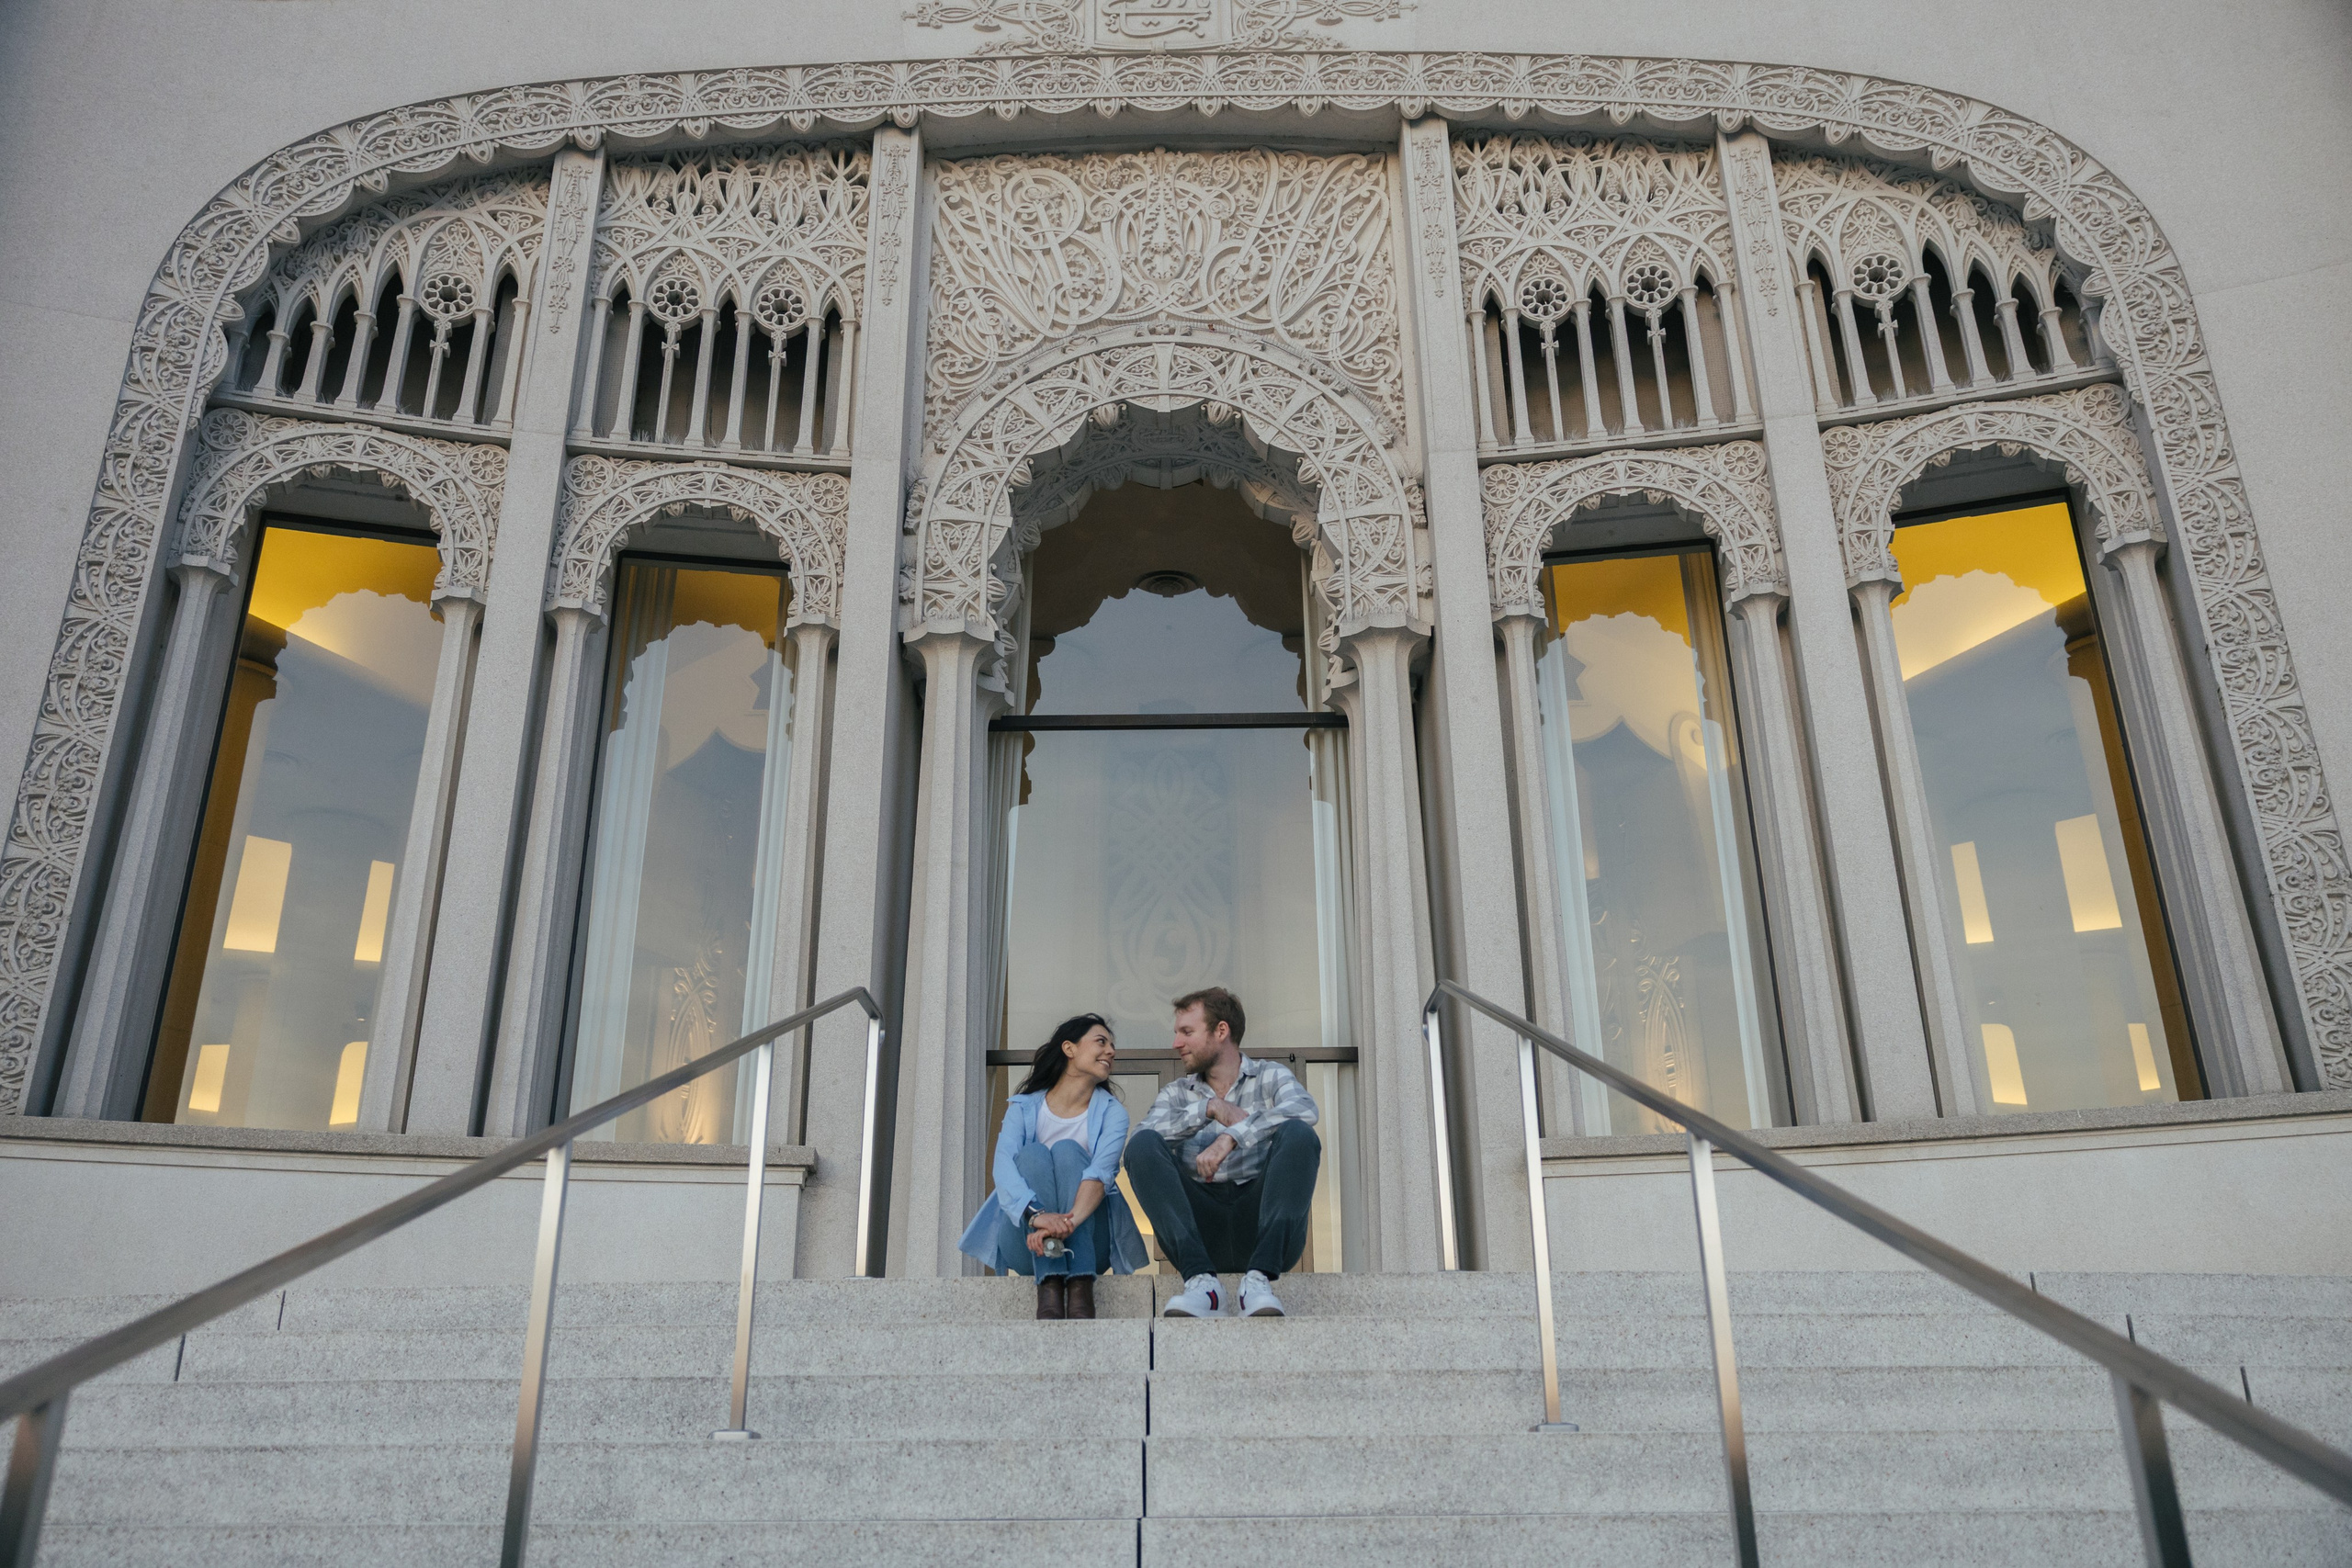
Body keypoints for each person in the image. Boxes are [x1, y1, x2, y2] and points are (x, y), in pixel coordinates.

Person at [1122, 987, 1321, 1318]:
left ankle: (1258, 1281)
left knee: (1299, 1135)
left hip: (1262, 1226)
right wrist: (1209, 1109)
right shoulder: (1177, 1093)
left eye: (1187, 1032)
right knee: (1141, 1146)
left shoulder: (1270, 1075)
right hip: (1201, 1231)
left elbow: (1304, 1109)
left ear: (1221, 1031)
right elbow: (1142, 1140)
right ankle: (1203, 1284)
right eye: (1177, 1033)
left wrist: (1232, 1137)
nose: (1176, 1043)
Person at [959, 1012, 1149, 1317]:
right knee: (1032, 1156)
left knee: (1068, 1151)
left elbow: (1101, 1175)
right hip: (1027, 1241)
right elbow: (1003, 1167)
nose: (1111, 1051)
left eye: (1113, 1046)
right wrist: (1038, 1218)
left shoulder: (1113, 1113)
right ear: (1069, 1049)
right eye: (1101, 1042)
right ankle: (1049, 1284)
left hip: (1090, 1244)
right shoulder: (1023, 1107)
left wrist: (1064, 1225)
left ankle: (1079, 1285)